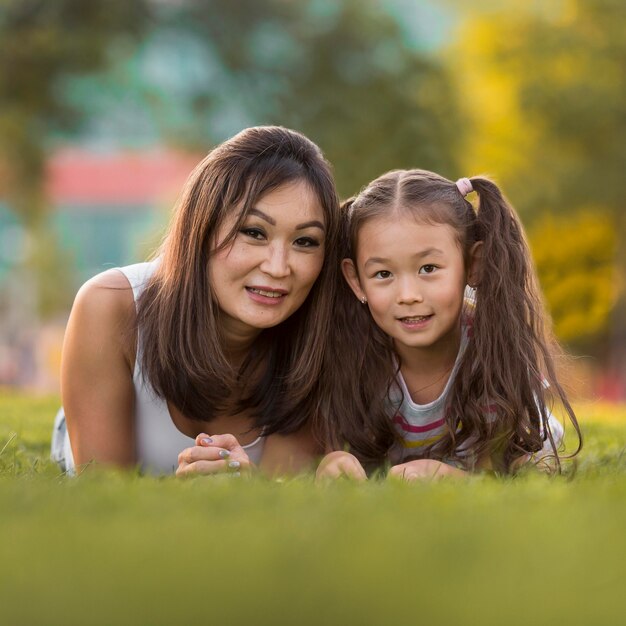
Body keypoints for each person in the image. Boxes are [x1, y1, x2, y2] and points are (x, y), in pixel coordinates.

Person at [51, 126, 341, 476]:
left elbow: (279, 490)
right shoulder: (110, 306)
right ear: (202, 229)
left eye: (305, 241)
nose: (279, 267)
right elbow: (103, 492)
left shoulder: (323, 337)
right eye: (253, 232)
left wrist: (244, 488)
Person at [316, 169, 582, 481]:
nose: (408, 296)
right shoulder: (350, 353)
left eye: (428, 268)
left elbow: (508, 469)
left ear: (474, 265)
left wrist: (452, 477)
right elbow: (337, 448)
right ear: (355, 280)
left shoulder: (492, 351)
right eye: (383, 274)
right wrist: (335, 460)